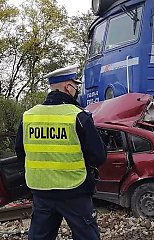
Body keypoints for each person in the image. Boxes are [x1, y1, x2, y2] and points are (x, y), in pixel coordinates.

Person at [15, 64, 107, 240]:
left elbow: (21, 153)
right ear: (68, 87)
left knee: (39, 236)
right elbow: (99, 157)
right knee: (86, 236)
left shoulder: (28, 116)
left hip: (40, 191)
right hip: (74, 190)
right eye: (75, 86)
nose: (76, 90)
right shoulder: (78, 116)